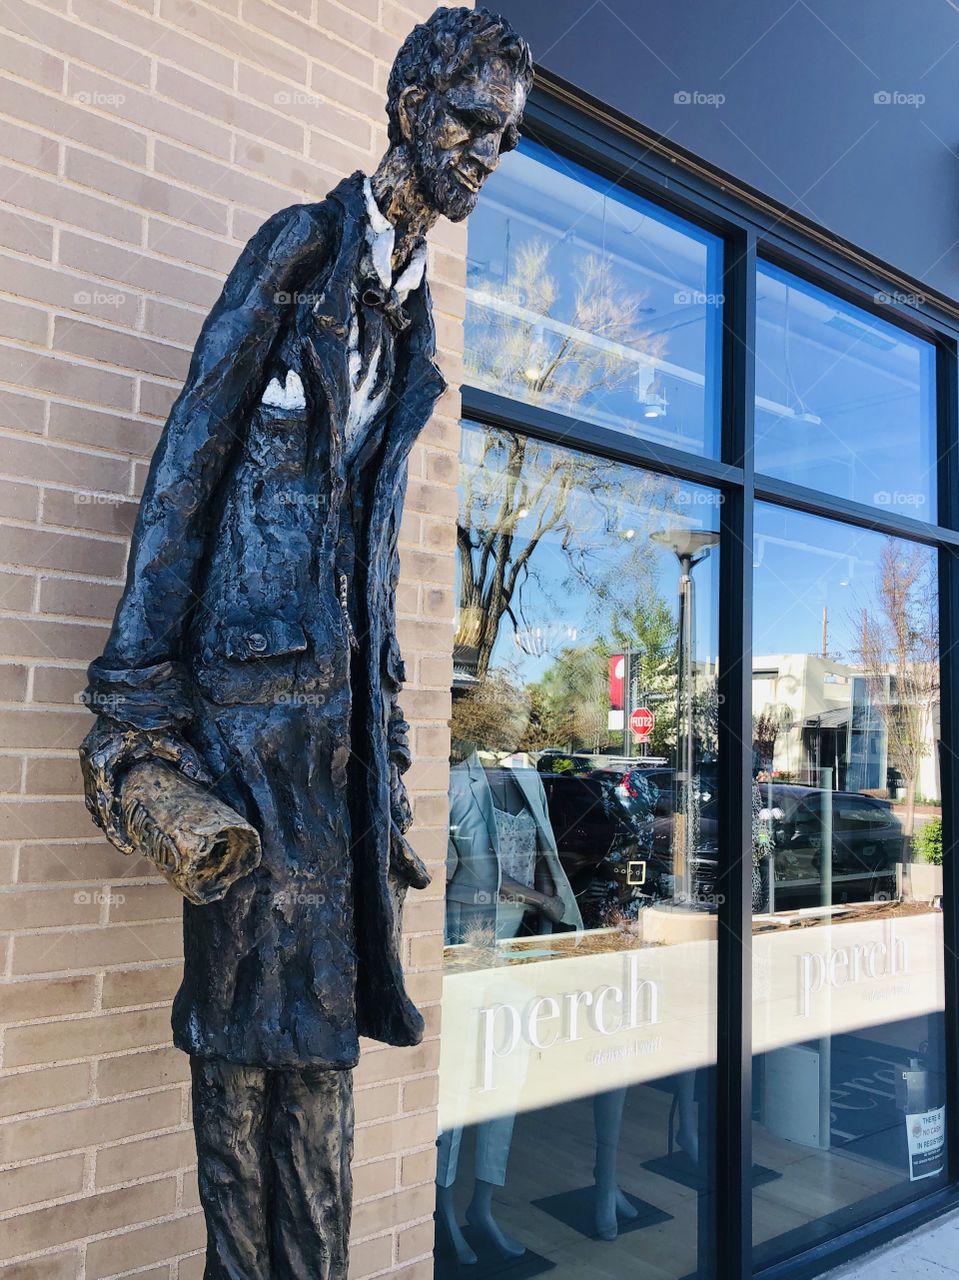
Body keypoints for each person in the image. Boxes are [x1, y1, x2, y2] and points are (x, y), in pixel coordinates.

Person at [77, 9, 533, 1278]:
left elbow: (369, 557)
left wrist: (384, 749)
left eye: (503, 136)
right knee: (235, 1060)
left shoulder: (418, 319)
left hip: (334, 757)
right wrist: (135, 700)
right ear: (405, 105)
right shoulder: (299, 251)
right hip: (238, 730)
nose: (483, 153)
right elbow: (187, 467)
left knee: (320, 1063)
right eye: (466, 121)